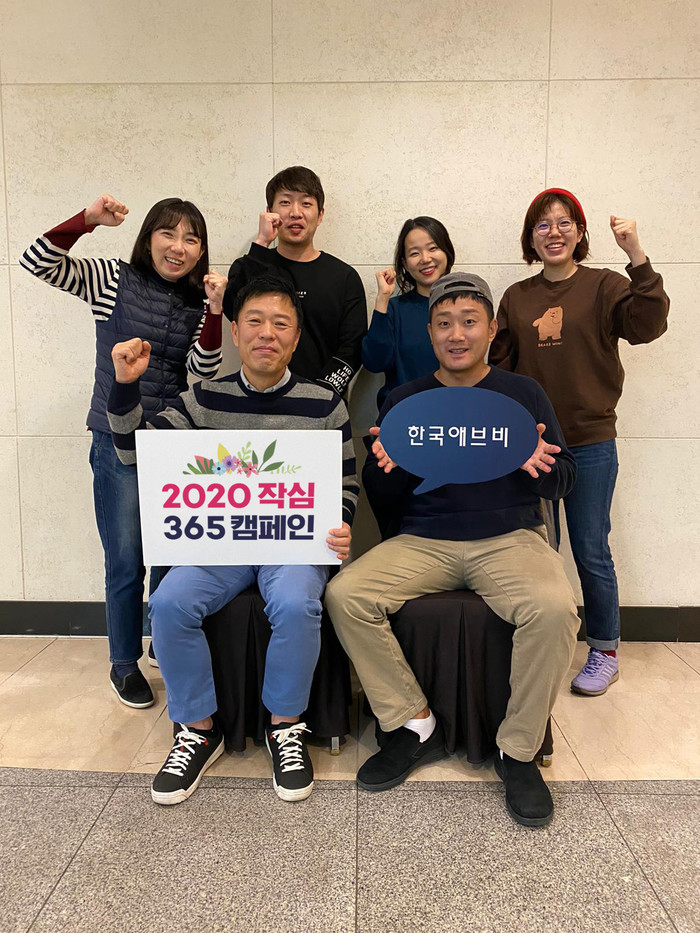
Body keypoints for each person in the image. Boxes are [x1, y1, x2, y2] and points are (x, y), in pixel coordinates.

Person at [325, 272, 580, 827]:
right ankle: (414, 724)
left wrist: (535, 465)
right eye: (444, 323)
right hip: (425, 540)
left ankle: (518, 751)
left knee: (555, 608)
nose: (456, 334)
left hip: (509, 538)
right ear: (430, 332)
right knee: (346, 594)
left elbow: (564, 479)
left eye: (469, 322)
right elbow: (383, 499)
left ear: (491, 328)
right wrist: (386, 469)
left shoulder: (523, 395)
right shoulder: (405, 400)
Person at [107, 274, 358, 805]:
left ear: (295, 338)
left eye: (281, 324)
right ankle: (198, 730)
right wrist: (125, 385)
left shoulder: (324, 405)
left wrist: (340, 524)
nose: (267, 333)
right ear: (236, 333)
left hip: (291, 545)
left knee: (296, 603)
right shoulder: (201, 400)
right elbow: (135, 453)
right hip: (219, 545)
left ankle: (285, 726)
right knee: (168, 603)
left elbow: (345, 483)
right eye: (255, 322)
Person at [20, 194, 226, 709]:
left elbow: (202, 371)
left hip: (173, 442)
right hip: (116, 439)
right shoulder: (113, 279)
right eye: (168, 234)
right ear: (148, 238)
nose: (179, 247)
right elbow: (37, 261)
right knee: (127, 558)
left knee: (173, 552)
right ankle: (123, 663)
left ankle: (161, 638)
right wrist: (86, 220)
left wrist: (215, 310)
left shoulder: (197, 300)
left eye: (191, 239)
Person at [489, 188, 670, 697]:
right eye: (542, 224)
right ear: (530, 237)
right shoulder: (517, 297)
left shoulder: (605, 285)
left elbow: (649, 325)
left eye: (564, 222)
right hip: (534, 447)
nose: (554, 232)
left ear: (580, 232)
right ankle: (538, 643)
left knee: (591, 548)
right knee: (538, 550)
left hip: (591, 441)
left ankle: (604, 651)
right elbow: (500, 368)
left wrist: (636, 254)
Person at [222, 165, 367, 395]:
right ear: (269, 211)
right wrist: (261, 242)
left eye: (306, 203)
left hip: (322, 403)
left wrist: (319, 395)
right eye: (285, 202)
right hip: (256, 399)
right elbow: (232, 309)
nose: (295, 212)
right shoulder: (249, 265)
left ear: (320, 215)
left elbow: (353, 348)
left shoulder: (344, 277)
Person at [362, 216, 455, 410]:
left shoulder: (466, 306)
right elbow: (375, 362)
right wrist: (382, 298)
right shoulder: (395, 309)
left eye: (433, 248)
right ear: (404, 263)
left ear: (446, 252)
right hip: (402, 415)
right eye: (414, 253)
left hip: (454, 412)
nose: (425, 259)